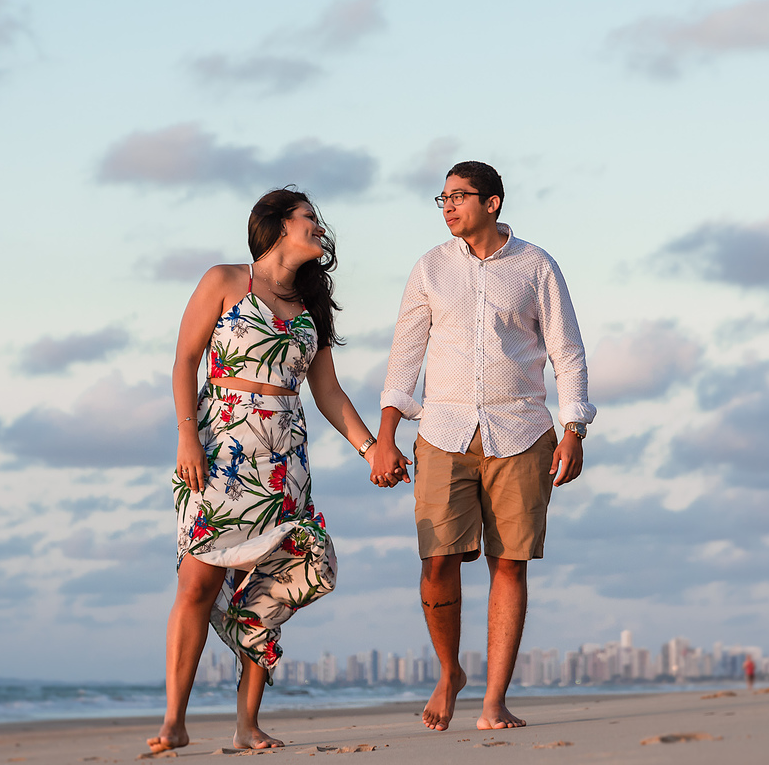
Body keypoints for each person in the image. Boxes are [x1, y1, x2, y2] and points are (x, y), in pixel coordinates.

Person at [148, 188, 410, 754]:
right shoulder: (224, 281)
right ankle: (174, 720)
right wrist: (186, 435)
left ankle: (247, 725)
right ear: (277, 224)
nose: (319, 226)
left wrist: (372, 450)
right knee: (197, 582)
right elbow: (184, 361)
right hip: (220, 448)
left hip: (283, 462)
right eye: (309, 217)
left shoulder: (311, 306)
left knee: (264, 590)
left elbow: (328, 391)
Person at [371, 161, 596, 732]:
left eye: (459, 196)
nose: (447, 206)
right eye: (441, 198)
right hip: (442, 431)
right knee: (436, 559)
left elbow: (566, 351)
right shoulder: (430, 267)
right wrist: (386, 435)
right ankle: (450, 672)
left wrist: (574, 428)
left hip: (521, 431)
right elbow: (405, 355)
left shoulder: (536, 265)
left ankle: (495, 701)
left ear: (492, 203)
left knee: (510, 563)